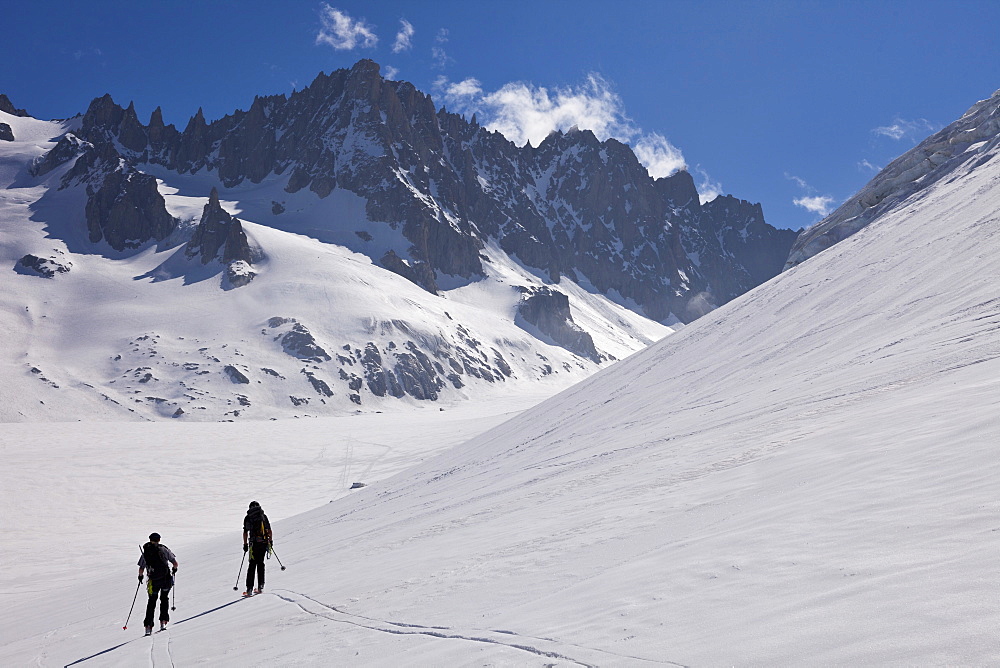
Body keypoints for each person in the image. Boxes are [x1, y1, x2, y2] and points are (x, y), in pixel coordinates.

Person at [137, 532, 178, 635]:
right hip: (165, 579)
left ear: (150, 539)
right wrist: (174, 569)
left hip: (153, 581)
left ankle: (148, 626)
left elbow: (141, 568)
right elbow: (175, 563)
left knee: (151, 602)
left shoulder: (146, 552)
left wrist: (140, 576)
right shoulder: (164, 549)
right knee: (164, 599)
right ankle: (163, 622)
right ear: (159, 539)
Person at [242, 501, 272, 596]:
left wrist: (245, 544)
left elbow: (245, 532)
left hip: (253, 544)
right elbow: (269, 530)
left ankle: (249, 589)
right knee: (260, 563)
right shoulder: (263, 516)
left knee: (252, 565)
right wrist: (270, 541)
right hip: (263, 543)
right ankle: (260, 586)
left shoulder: (248, 517)